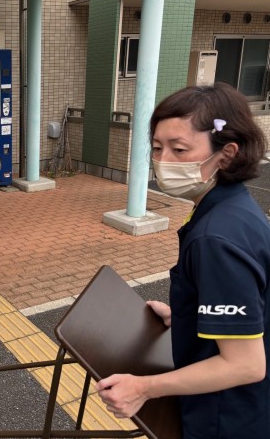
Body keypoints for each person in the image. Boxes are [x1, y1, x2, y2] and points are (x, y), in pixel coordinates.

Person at [96, 83, 270, 438]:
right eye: (157, 148)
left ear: (226, 153)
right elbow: (249, 301)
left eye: (179, 149)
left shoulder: (216, 238)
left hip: (226, 417)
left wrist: (143, 388)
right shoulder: (236, 208)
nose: (163, 161)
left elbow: (246, 365)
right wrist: (188, 316)